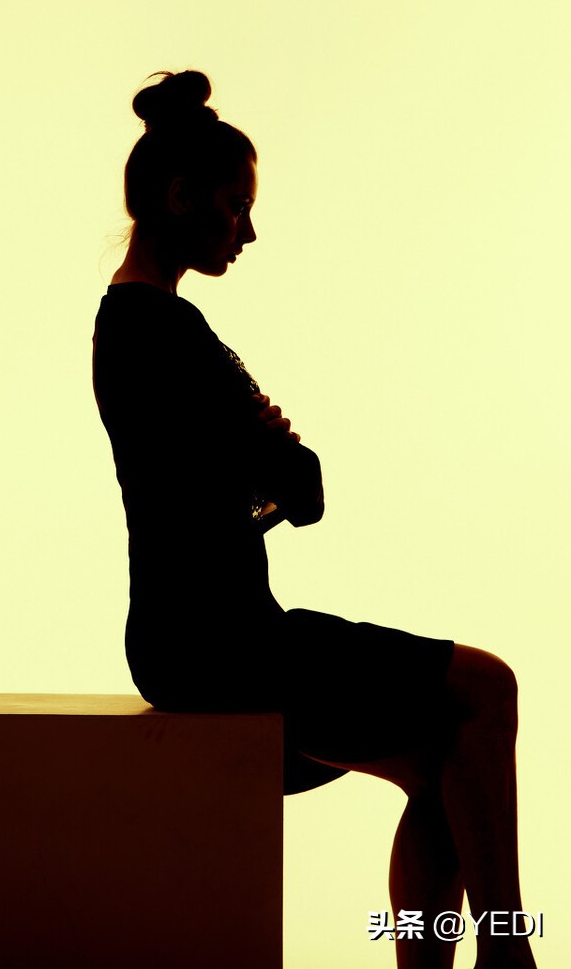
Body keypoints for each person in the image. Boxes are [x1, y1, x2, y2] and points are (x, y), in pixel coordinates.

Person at [91, 70, 534, 969]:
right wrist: (268, 461)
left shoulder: (143, 327)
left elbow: (276, 491)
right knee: (487, 690)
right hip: (221, 642)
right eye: (236, 207)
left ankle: (487, 955)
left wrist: (262, 470)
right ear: (180, 198)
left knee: (449, 768)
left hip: (198, 635)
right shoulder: (165, 333)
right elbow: (299, 484)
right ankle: (507, 953)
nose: (247, 231)